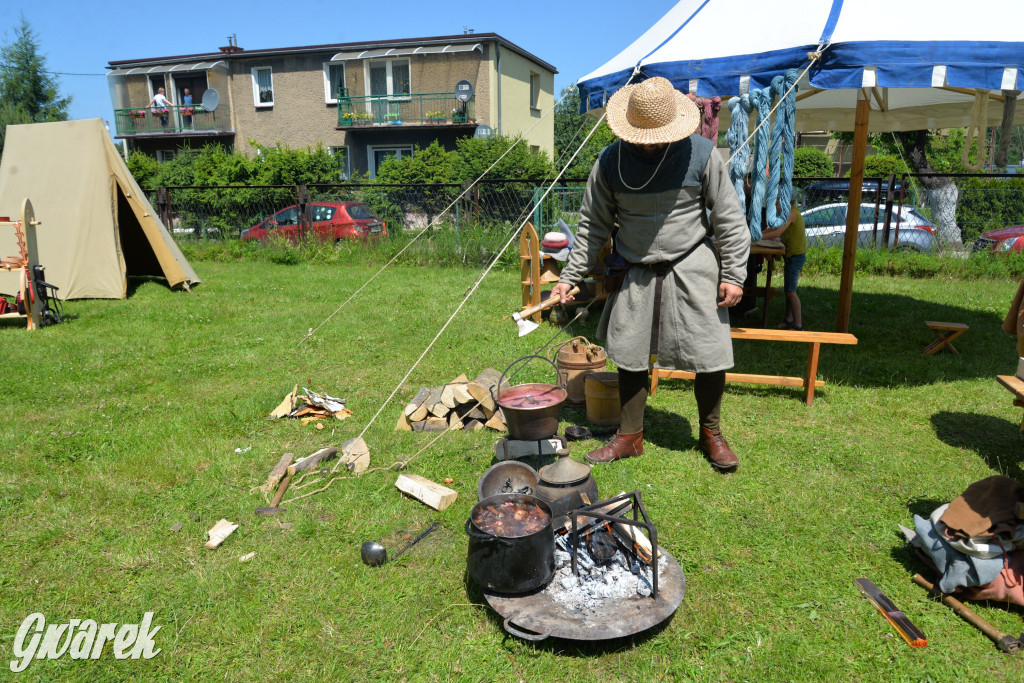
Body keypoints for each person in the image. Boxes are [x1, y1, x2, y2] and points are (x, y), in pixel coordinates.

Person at [551, 77, 751, 471]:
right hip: (637, 268)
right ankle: (630, 436)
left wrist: (734, 274)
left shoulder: (702, 154)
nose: (649, 142)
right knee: (629, 352)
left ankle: (711, 433)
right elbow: (592, 225)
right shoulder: (610, 162)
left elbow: (728, 217)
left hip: (693, 264)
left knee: (709, 353)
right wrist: (570, 275)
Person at [759, 197, 806, 330]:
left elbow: (778, 232)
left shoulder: (792, 214)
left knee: (791, 291)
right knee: (788, 291)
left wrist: (759, 237)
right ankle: (788, 320)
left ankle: (798, 326)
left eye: (778, 201)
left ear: (788, 201)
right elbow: (774, 227)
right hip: (792, 256)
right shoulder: (787, 214)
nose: (775, 203)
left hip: (795, 257)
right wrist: (759, 233)